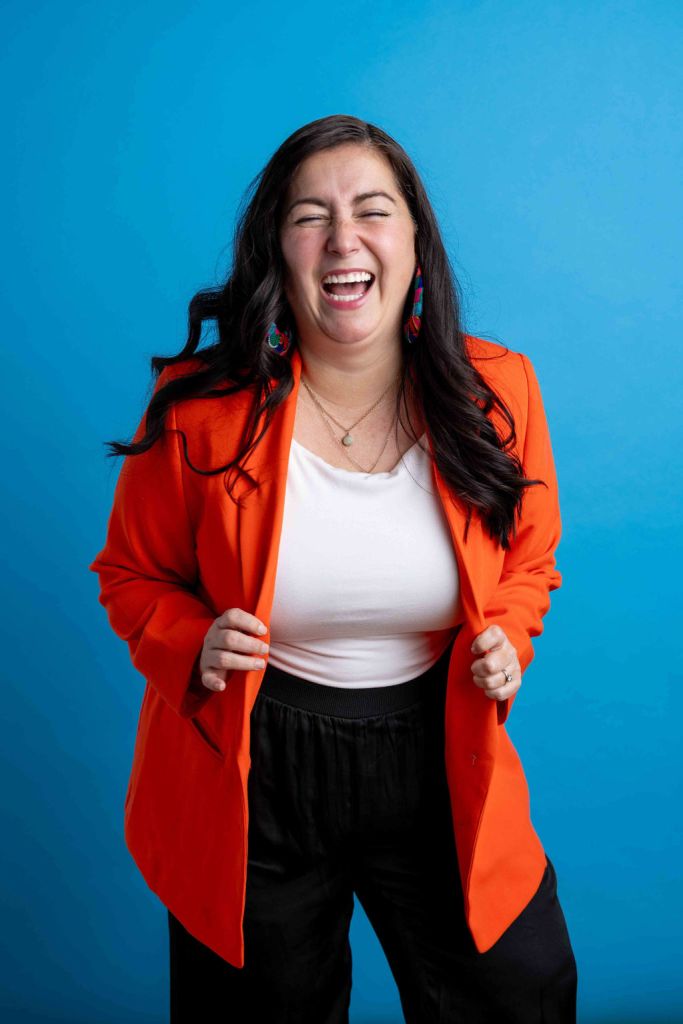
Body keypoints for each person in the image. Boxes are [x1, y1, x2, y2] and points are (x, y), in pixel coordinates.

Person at [89, 114, 578, 1023]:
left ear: (415, 243)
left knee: (518, 994)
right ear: (278, 248)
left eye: (372, 210)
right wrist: (191, 641)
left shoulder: (498, 391)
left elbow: (529, 557)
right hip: (254, 764)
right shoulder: (199, 409)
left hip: (438, 748)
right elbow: (130, 573)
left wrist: (508, 635)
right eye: (310, 216)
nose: (343, 239)